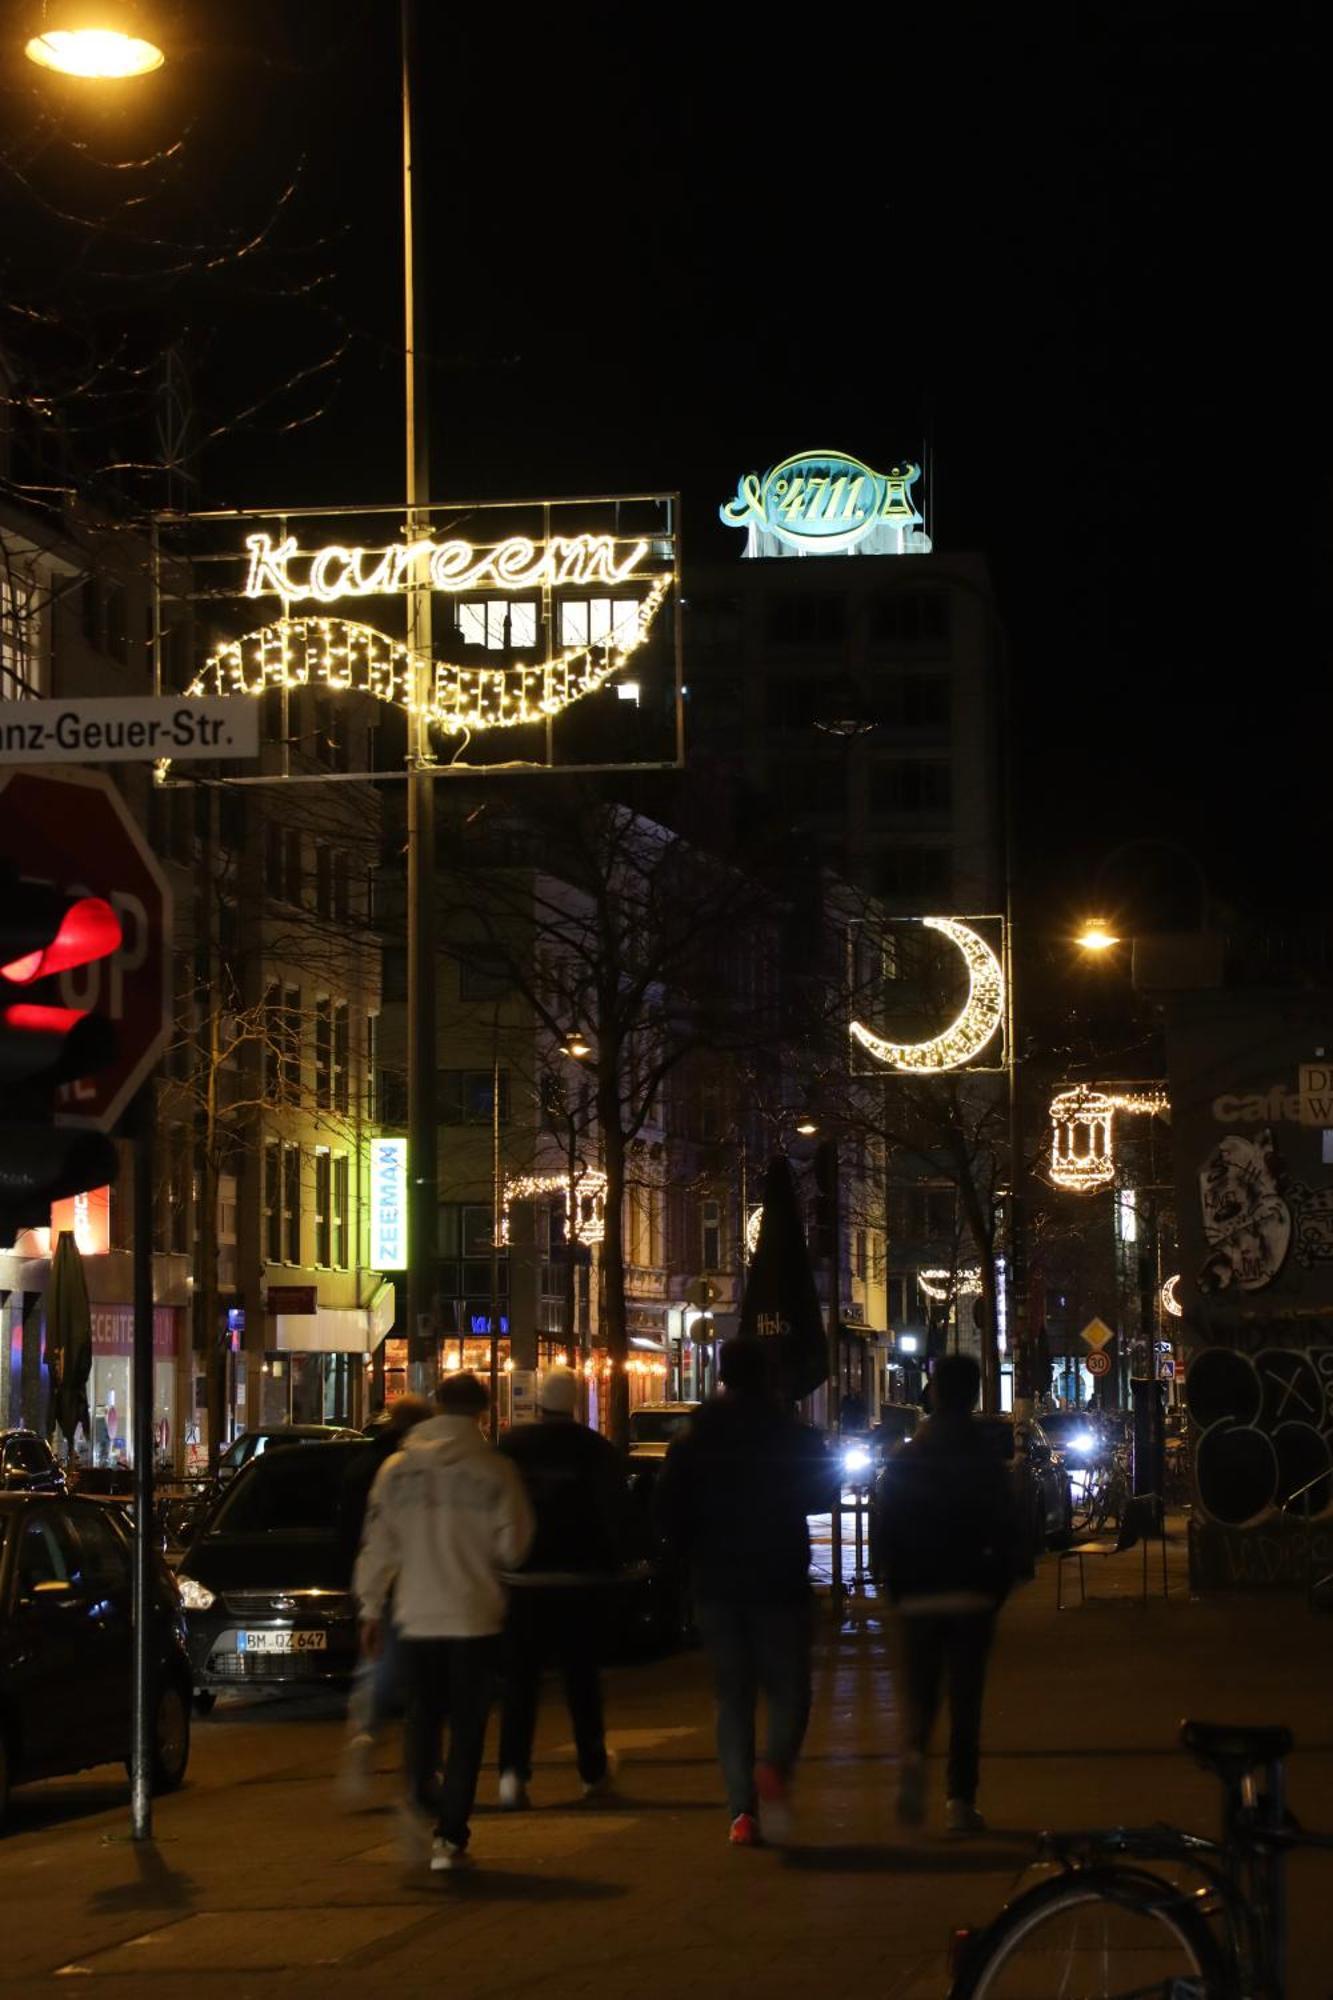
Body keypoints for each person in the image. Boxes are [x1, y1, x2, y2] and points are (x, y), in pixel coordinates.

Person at [655, 1337, 836, 1848]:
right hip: (777, 1576)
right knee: (790, 1692)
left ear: (723, 1374)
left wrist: (690, 1548)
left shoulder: (695, 1434)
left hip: (716, 1582)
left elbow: (666, 1509)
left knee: (731, 1699)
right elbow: (821, 1490)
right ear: (767, 1376)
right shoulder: (788, 1432)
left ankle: (741, 1813)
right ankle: (774, 1767)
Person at [353, 1371, 533, 1873]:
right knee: (468, 1727)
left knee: (422, 1716)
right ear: (483, 1411)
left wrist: (370, 1608)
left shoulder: (397, 1469)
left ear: (436, 1407)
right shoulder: (496, 1471)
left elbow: (378, 1545)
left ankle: (417, 1795)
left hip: (416, 1614)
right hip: (474, 1616)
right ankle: (450, 1836)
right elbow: (513, 1547)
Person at [870, 1352, 1021, 1835]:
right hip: (972, 1594)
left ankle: (914, 1758)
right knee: (966, 1700)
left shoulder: (907, 1456)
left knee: (920, 1694)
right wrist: (998, 1584)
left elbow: (885, 1522)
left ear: (934, 1393)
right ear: (974, 1395)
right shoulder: (986, 1458)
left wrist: (891, 1581)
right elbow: (1009, 1527)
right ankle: (960, 1800)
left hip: (917, 1594)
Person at [496, 1365, 630, 1807]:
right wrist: (615, 1567)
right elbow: (615, 1513)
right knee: (581, 1682)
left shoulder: (512, 1448)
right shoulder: (594, 1449)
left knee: (520, 1684)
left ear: (538, 1402)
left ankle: (513, 1774)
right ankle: (592, 1770)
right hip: (579, 1581)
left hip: (523, 1581)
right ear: (575, 1401)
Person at [337, 1394, 433, 1805]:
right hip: (418, 1583)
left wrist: (365, 1596)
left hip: (380, 1581)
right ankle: (420, 1772)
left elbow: (354, 1531)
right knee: (423, 1680)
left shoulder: (361, 1465)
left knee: (378, 1668)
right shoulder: (415, 1468)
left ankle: (366, 1733)